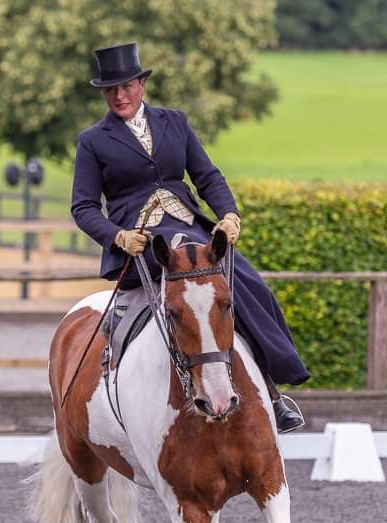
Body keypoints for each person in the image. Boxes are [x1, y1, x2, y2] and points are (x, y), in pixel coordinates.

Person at [71, 43, 309, 433]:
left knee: (248, 285)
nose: (119, 96)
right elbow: (83, 207)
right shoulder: (93, 140)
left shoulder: (175, 122)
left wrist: (229, 214)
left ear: (142, 85)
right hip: (145, 241)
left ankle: (271, 392)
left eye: (127, 87)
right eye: (111, 90)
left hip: (192, 230)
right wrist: (118, 237)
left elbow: (207, 176)